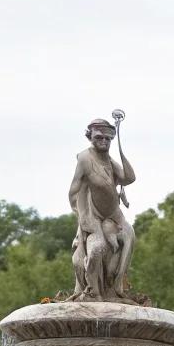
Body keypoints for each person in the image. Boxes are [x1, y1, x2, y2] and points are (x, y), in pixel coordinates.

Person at [69, 112, 136, 300]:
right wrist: (83, 218)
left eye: (108, 138)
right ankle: (92, 291)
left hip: (115, 216)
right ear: (90, 137)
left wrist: (121, 149)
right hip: (93, 217)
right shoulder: (84, 159)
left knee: (130, 238)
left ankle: (116, 288)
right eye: (99, 137)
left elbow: (129, 178)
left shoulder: (109, 160)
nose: (104, 142)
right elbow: (73, 191)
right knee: (97, 249)